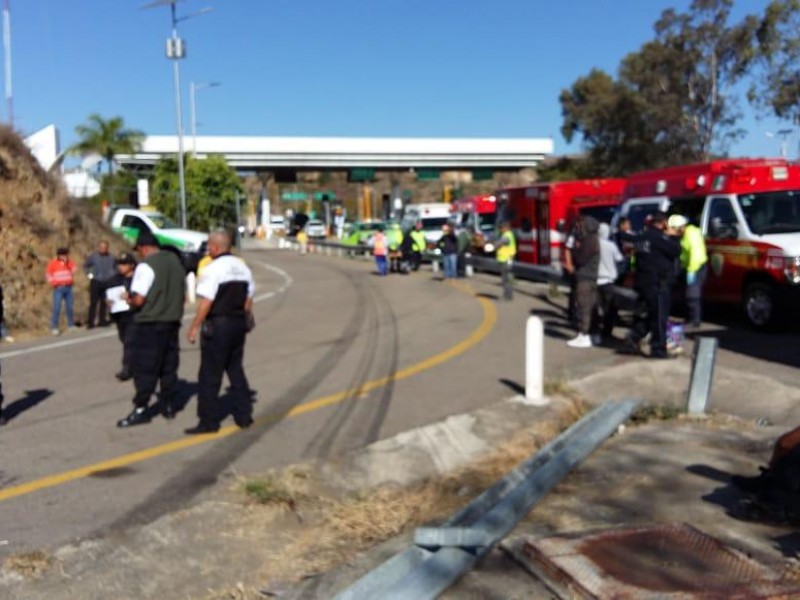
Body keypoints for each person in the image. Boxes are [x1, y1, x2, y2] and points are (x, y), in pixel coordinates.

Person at [185, 231, 255, 434]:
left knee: (209, 374)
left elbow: (207, 301)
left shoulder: (212, 269)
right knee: (235, 369)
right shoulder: (243, 267)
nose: (208, 250)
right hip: (237, 323)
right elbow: (248, 299)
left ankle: (208, 421)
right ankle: (244, 416)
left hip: (218, 324)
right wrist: (245, 318)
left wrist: (194, 326)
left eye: (209, 247)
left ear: (215, 247)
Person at [116, 230, 186, 428]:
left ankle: (141, 408)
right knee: (169, 366)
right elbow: (183, 295)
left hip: (150, 323)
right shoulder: (176, 263)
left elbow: (139, 299)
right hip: (172, 321)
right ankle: (169, 405)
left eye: (139, 250)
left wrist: (128, 299)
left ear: (144, 248)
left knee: (145, 368)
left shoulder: (146, 266)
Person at [627, 212, 681, 359]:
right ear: (663, 223)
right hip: (657, 283)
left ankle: (634, 335)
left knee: (652, 314)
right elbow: (676, 251)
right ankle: (658, 349)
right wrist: (674, 236)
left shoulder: (642, 236)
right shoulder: (658, 238)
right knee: (659, 318)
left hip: (643, 282)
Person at [564, 215, 600, 348]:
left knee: (584, 306)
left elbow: (580, 258)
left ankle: (583, 335)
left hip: (585, 277)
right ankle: (594, 334)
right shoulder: (592, 239)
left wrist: (575, 250)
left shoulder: (589, 241)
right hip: (591, 277)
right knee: (591, 306)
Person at [668, 214, 708, 329]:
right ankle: (688, 316)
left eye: (675, 229)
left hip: (696, 267)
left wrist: (691, 271)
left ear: (681, 227)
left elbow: (695, 255)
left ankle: (695, 320)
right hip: (686, 266)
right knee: (682, 292)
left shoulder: (692, 235)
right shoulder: (684, 234)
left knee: (692, 294)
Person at [106, 251, 137, 381]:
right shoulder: (115, 279)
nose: (121, 267)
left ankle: (127, 369)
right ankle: (135, 363)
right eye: (120, 264)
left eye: (124, 264)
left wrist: (130, 297)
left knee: (130, 342)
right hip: (120, 316)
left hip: (134, 315)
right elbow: (108, 295)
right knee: (125, 340)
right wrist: (108, 301)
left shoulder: (138, 279)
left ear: (132, 265)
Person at [592, 222, 624, 345]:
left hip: (595, 280)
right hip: (608, 281)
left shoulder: (593, 245)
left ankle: (595, 331)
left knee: (594, 308)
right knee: (610, 308)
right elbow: (619, 259)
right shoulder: (611, 245)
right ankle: (607, 330)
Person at [83, 240, 116, 328]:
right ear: (98, 248)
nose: (103, 249)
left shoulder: (112, 257)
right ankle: (90, 322)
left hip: (107, 282)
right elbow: (86, 266)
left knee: (104, 302)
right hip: (96, 281)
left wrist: (112, 275)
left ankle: (102, 320)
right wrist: (90, 275)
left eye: (104, 248)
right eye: (101, 247)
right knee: (93, 302)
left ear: (107, 248)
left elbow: (116, 267)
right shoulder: (93, 257)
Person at [46, 247, 76, 336]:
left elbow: (74, 270)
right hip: (58, 287)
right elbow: (48, 274)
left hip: (68, 287)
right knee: (57, 307)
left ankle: (71, 325)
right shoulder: (53, 263)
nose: (64, 256)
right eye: (62, 255)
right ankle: (54, 327)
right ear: (58, 255)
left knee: (70, 307)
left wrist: (67, 263)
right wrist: (53, 282)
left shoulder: (69, 262)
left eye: (65, 254)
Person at [491, 222, 516, 301]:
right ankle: (508, 296)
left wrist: (492, 246)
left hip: (505, 260)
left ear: (505, 228)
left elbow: (498, 244)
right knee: (507, 279)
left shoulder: (506, 236)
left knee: (506, 280)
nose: (500, 229)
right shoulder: (509, 235)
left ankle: (506, 297)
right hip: (506, 259)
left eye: (501, 228)